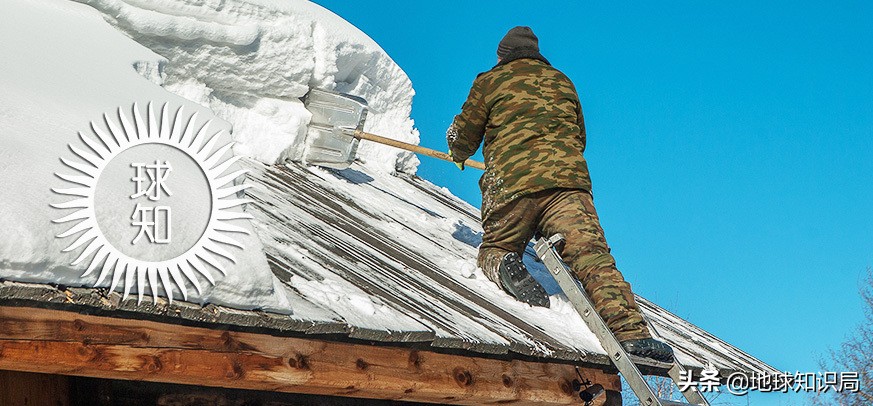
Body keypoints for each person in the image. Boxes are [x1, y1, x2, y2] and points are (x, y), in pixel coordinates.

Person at [446, 26, 674, 363]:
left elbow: (463, 134)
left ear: (503, 55)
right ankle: (632, 334)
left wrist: (458, 152)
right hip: (568, 184)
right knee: (593, 257)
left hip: (512, 183)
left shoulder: (490, 81)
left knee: (497, 245)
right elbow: (579, 137)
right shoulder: (563, 81)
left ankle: (506, 263)